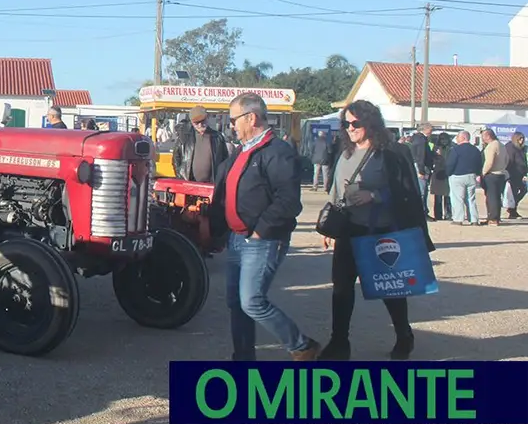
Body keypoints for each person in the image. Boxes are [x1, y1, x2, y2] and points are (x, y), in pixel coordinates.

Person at [319, 100, 432, 360]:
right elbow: (336, 189)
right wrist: (330, 228)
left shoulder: (391, 153)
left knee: (389, 290)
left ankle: (404, 336)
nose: (350, 128)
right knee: (341, 288)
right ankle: (339, 343)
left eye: (355, 123)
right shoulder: (345, 152)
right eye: (346, 123)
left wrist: (375, 195)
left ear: (371, 123)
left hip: (380, 232)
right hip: (348, 229)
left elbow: (406, 192)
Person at [210, 92, 319, 361]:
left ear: (252, 117)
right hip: (237, 238)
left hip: (261, 240)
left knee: (252, 301)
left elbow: (288, 201)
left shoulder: (277, 152)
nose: (230, 125)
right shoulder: (241, 151)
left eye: (234, 119)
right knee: (236, 303)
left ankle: (302, 346)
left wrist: (260, 231)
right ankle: (244, 358)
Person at [171, 105, 229, 184]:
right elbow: (175, 159)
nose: (200, 125)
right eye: (196, 123)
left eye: (202, 121)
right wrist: (181, 177)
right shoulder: (184, 137)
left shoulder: (218, 137)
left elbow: (225, 161)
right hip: (189, 186)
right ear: (191, 122)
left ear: (207, 117)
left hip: (210, 186)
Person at [445, 131, 482, 226]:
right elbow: (479, 163)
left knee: (457, 198)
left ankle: (458, 219)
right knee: (471, 198)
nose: (456, 139)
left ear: (464, 137)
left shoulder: (456, 150)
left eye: (458, 137)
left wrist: (448, 173)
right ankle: (474, 219)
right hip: (471, 176)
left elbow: (451, 163)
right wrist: (477, 174)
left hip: (457, 176)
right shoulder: (475, 150)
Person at [479, 128, 508, 226]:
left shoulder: (491, 146)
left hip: (492, 174)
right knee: (497, 197)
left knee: (491, 197)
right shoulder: (501, 145)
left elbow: (489, 162)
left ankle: (493, 219)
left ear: (488, 136)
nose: (482, 138)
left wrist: (483, 172)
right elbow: (507, 159)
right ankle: (496, 218)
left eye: (483, 136)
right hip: (501, 174)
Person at [507, 131, 526, 219]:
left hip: (520, 174)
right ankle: (512, 210)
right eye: (520, 139)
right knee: (513, 193)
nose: (521, 140)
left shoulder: (521, 148)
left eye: (523, 139)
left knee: (523, 190)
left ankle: (512, 207)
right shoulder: (510, 147)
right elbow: (509, 161)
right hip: (513, 174)